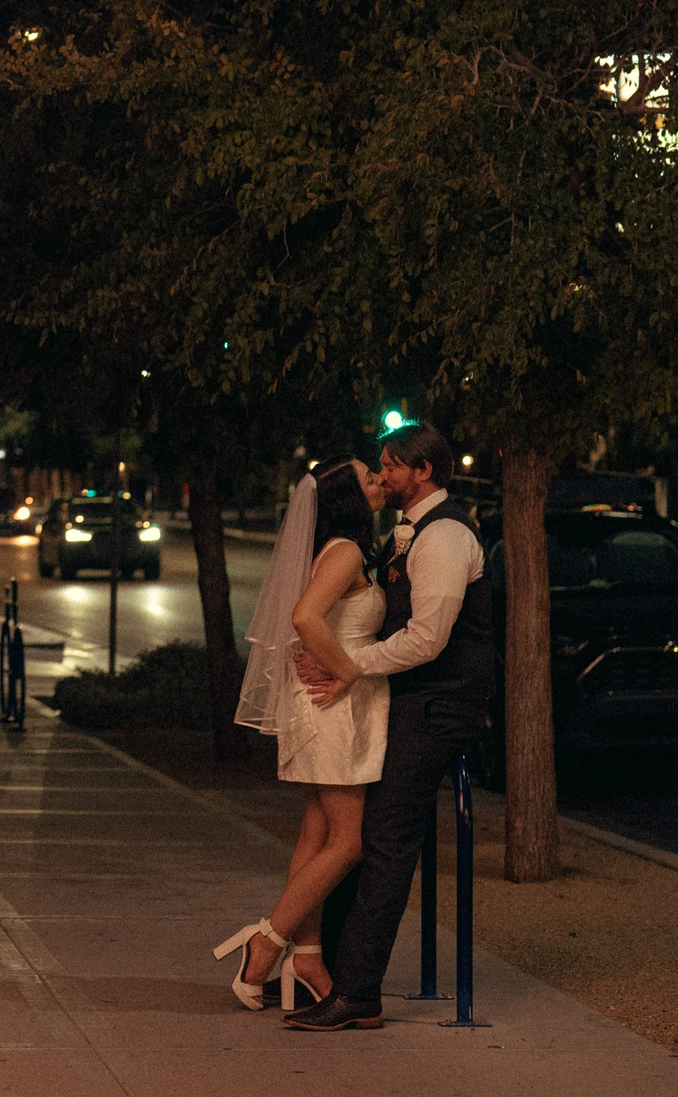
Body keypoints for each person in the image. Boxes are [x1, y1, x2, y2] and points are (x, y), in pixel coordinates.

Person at [283, 421, 496, 1031]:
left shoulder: (447, 536)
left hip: (440, 702)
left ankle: (358, 992)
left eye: (391, 466)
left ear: (423, 470)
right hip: (407, 696)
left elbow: (429, 640)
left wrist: (351, 667)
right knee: (351, 827)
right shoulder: (408, 534)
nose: (384, 476)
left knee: (385, 836)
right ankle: (326, 971)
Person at [214, 460, 391, 1010]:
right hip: (330, 708)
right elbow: (305, 618)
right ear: (347, 500)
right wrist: (346, 670)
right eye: (369, 478)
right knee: (349, 841)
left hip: (315, 707)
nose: (380, 482)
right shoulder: (347, 552)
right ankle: (265, 944)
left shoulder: (333, 549)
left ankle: (308, 956)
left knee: (315, 835)